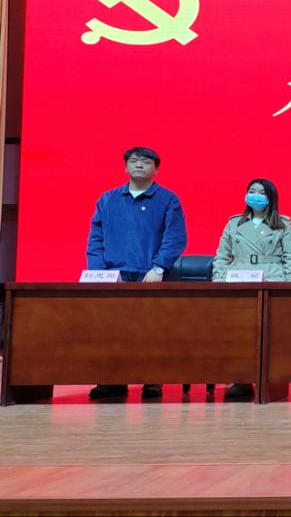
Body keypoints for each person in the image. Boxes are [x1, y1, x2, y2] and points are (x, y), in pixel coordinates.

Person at [85, 147, 186, 400]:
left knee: (151, 330)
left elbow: (174, 238)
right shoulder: (108, 199)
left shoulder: (168, 199)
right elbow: (96, 238)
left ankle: (152, 381)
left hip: (149, 275)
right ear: (125, 167)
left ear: (156, 168)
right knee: (111, 330)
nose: (139, 165)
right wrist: (100, 273)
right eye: (133, 161)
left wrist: (159, 268)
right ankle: (112, 380)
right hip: (114, 276)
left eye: (146, 161)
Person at [212, 178, 291, 400]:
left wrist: (288, 287)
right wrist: (219, 281)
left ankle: (271, 379)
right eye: (252, 191)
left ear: (271, 198)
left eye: (262, 193)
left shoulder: (283, 225)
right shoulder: (234, 223)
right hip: (238, 278)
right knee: (238, 332)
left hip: (271, 277)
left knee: (269, 333)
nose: (256, 196)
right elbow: (222, 256)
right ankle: (240, 379)